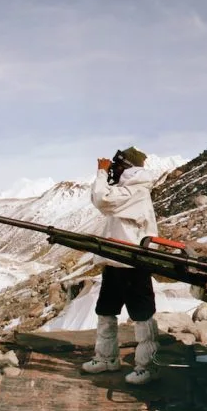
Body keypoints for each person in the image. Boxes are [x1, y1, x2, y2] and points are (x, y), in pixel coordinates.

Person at [80, 146, 163, 385]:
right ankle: (106, 358)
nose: (112, 171)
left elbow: (102, 199)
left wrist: (101, 173)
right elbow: (101, 197)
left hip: (134, 263)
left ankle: (148, 366)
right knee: (106, 311)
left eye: (116, 167)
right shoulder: (128, 189)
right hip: (116, 261)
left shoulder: (137, 191)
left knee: (142, 316)